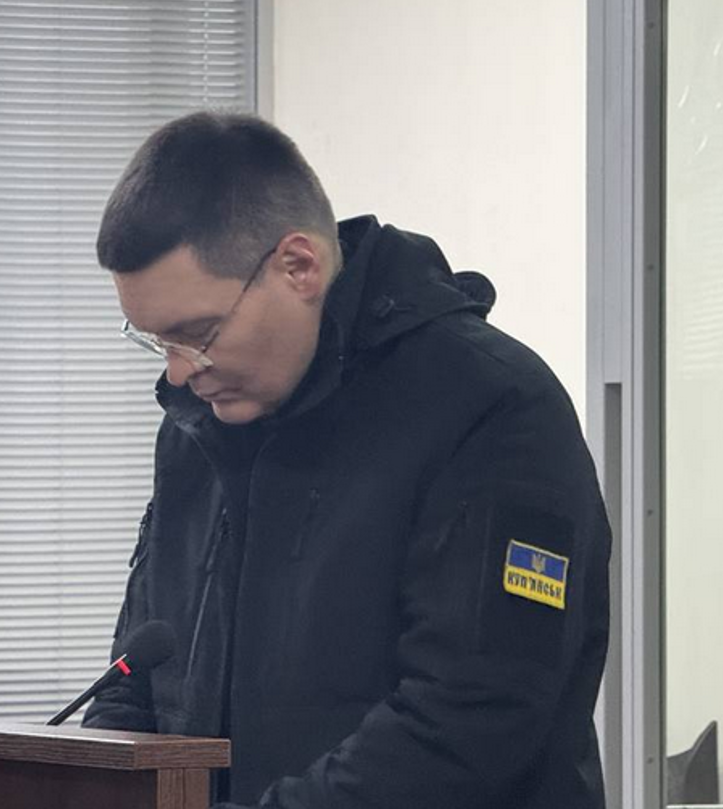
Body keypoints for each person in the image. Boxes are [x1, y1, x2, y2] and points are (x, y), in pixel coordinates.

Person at [82, 110, 611, 809]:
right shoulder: (198, 427)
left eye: (198, 333)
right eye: (157, 342)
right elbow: (136, 677)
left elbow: (469, 724)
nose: (180, 371)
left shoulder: (490, 407)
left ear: (298, 266)